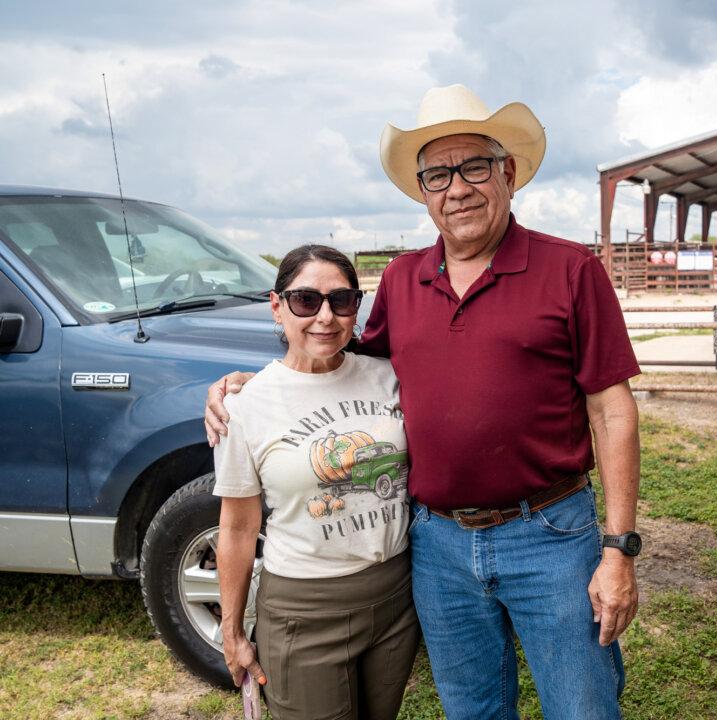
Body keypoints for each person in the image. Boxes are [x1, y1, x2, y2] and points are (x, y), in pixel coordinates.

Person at [207, 84, 642, 720]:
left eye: (473, 167)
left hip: (550, 533)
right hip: (437, 546)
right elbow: (341, 363)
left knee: (583, 707)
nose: (457, 188)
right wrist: (247, 383)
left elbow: (612, 410)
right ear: (422, 191)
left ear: (508, 173)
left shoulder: (571, 270)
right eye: (438, 174)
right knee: (472, 710)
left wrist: (618, 548)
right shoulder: (404, 281)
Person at [213, 244, 419, 720]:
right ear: (277, 305)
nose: (325, 317)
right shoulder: (246, 406)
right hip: (304, 609)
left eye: (342, 301)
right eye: (306, 300)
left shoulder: (387, 374)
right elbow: (238, 530)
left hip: (394, 597)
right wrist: (232, 630)